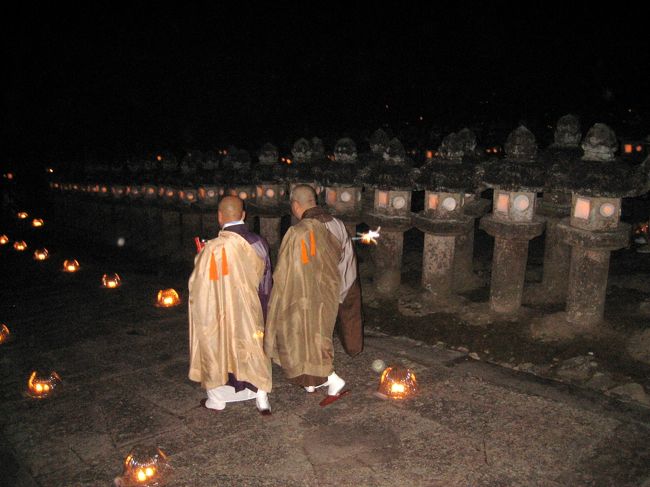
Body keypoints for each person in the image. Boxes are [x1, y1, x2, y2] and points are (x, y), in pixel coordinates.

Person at [264, 184, 363, 406]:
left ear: (295, 205)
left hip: (303, 296)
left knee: (302, 337)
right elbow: (348, 261)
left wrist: (278, 298)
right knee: (319, 336)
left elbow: (283, 273)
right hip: (330, 293)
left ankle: (330, 378)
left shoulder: (298, 232)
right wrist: (344, 294)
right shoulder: (337, 224)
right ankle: (312, 381)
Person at [188, 196, 273, 414]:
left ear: (219, 216)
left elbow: (198, 286)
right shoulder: (257, 242)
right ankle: (261, 396)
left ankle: (217, 399)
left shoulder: (211, 248)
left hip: (219, 312)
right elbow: (265, 279)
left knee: (218, 347)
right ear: (243, 215)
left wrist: (202, 260)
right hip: (250, 309)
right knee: (253, 347)